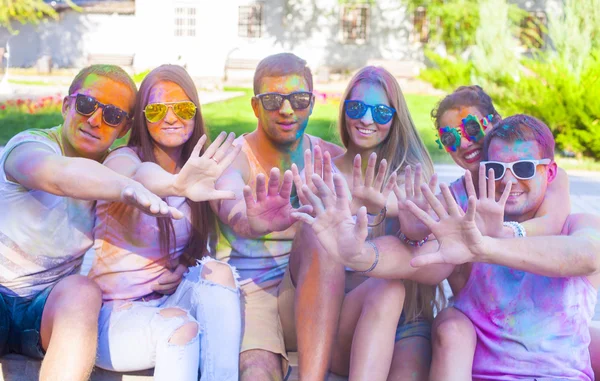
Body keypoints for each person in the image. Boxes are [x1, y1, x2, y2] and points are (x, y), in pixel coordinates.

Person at [0, 64, 175, 381]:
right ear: (67, 106)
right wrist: (125, 188)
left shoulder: (115, 168)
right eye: (86, 105)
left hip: (45, 308)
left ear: (123, 128)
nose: (95, 119)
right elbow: (59, 175)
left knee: (83, 292)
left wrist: (178, 267)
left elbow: (145, 189)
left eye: (112, 115)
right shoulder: (30, 145)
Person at [405, 114, 599, 380]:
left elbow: (588, 257)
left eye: (524, 169)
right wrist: (366, 252)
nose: (508, 180)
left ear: (550, 172)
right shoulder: (468, 228)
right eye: (496, 169)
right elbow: (415, 258)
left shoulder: (580, 225)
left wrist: (488, 245)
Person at [88, 64, 242, 381]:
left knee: (219, 273)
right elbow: (136, 177)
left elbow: (236, 206)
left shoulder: (198, 169)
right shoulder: (123, 158)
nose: (170, 118)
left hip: (168, 302)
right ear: (143, 117)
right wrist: (175, 185)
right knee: (181, 327)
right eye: (157, 110)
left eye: (182, 108)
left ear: (195, 112)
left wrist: (184, 266)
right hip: (115, 318)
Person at [290, 66, 442, 380]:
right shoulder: (324, 171)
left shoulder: (412, 175)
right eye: (357, 108)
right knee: (384, 286)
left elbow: (436, 259)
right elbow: (305, 260)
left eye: (381, 112)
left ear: (395, 118)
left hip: (404, 321)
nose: (367, 120)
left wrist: (399, 218)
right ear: (345, 110)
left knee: (391, 291)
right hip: (334, 321)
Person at [210, 52, 343, 381]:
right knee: (256, 372)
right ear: (255, 107)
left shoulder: (328, 156)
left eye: (298, 100)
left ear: (312, 103)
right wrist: (250, 222)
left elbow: (386, 175)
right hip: (251, 296)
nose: (287, 110)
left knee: (317, 232)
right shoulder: (234, 158)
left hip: (314, 293)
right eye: (272, 100)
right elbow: (230, 201)